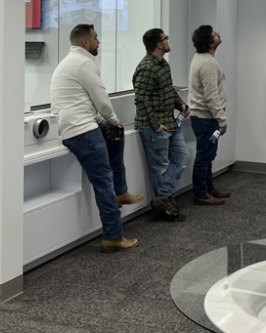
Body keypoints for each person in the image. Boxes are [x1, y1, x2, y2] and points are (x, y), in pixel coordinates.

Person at [50, 24, 143, 253]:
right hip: (81, 131)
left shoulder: (73, 61)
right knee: (103, 181)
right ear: (85, 42)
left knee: (115, 136)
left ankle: (120, 192)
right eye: (95, 37)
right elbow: (101, 99)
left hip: (81, 124)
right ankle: (113, 237)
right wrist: (113, 119)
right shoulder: (84, 63)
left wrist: (107, 122)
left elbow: (87, 102)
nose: (99, 41)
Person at [134, 28, 190, 221]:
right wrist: (155, 124)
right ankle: (165, 206)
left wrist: (180, 104)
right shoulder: (146, 68)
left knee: (182, 158)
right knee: (159, 167)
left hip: (170, 123)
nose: (168, 40)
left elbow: (169, 90)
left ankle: (162, 197)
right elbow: (141, 99)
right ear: (159, 44)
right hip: (154, 126)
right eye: (166, 38)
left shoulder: (163, 64)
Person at [188, 25, 230, 206]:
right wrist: (221, 120)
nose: (218, 34)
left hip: (204, 118)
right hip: (207, 119)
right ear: (210, 42)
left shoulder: (202, 58)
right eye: (215, 34)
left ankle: (208, 188)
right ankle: (200, 194)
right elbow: (211, 96)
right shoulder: (208, 64)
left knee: (208, 155)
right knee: (204, 156)